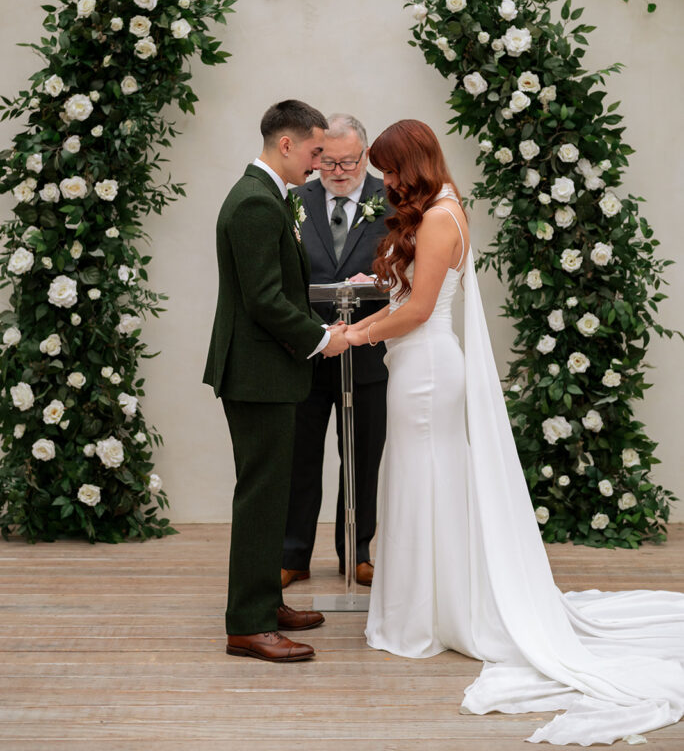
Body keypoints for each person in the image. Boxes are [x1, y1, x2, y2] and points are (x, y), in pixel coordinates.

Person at [345, 119, 684, 744]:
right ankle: (429, 603)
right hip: (417, 365)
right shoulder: (441, 207)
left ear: (412, 163)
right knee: (421, 481)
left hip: (425, 370)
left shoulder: (440, 218)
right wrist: (380, 287)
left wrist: (356, 333)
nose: (386, 180)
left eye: (391, 169)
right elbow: (411, 294)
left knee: (424, 481)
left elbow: (420, 310)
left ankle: (425, 614)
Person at [202, 99, 349, 663]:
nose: (320, 163)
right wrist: (319, 339)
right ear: (286, 144)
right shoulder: (255, 204)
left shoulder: (268, 197)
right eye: (316, 151)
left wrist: (318, 328)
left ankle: (266, 602)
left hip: (267, 370)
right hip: (257, 373)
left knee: (273, 493)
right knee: (261, 497)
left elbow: (278, 290)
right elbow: (263, 299)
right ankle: (248, 625)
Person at [281, 114, 390, 590]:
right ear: (317, 155)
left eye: (349, 162)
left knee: (363, 459)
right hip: (306, 352)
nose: (339, 171)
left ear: (365, 155)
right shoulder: (294, 199)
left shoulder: (391, 198)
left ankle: (357, 553)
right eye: (329, 162)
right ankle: (292, 555)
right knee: (299, 458)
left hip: (368, 352)